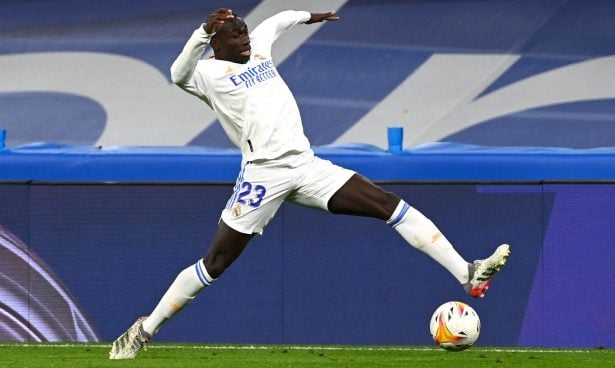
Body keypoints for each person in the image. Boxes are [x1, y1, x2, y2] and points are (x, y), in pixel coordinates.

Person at [109, 8, 510, 360]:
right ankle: (143, 332)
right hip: (262, 175)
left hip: (305, 165)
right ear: (217, 42)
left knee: (388, 205)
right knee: (216, 263)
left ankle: (468, 273)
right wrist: (200, 32)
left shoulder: (257, 47)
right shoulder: (208, 74)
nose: (246, 40)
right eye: (236, 36)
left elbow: (276, 22)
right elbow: (177, 74)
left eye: (245, 33)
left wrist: (309, 17)